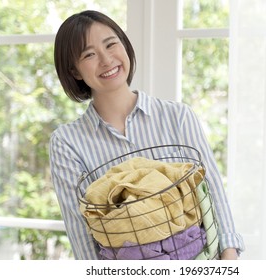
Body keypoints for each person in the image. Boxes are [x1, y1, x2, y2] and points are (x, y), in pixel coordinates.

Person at [49, 10, 244, 260]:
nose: (107, 60)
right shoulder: (67, 143)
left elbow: (213, 191)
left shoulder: (178, 116)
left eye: (111, 44)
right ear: (75, 71)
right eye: (89, 54)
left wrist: (229, 257)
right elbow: (81, 231)